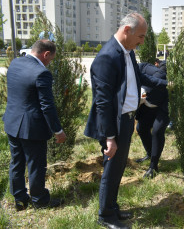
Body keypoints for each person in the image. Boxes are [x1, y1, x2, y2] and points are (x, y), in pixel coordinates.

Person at [84, 13, 168, 229]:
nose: (142, 41)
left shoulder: (128, 52)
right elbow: (102, 102)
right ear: (127, 30)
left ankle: (112, 206)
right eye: (140, 36)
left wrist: (166, 83)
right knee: (112, 170)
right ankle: (105, 216)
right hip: (115, 123)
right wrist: (109, 136)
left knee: (119, 168)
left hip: (127, 120)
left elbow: (140, 78)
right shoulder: (107, 57)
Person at [3, 40, 67, 210]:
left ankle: (20, 200)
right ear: (46, 54)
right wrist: (58, 130)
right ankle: (39, 200)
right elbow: (47, 106)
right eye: (50, 59)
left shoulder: (16, 63)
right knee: (36, 164)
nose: (49, 63)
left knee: (16, 161)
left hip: (12, 122)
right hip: (32, 127)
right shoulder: (41, 73)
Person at [135, 59, 169, 179]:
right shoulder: (132, 72)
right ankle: (150, 154)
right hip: (148, 105)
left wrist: (143, 92)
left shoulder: (145, 70)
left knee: (157, 131)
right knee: (141, 128)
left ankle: (153, 167)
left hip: (164, 104)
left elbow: (160, 76)